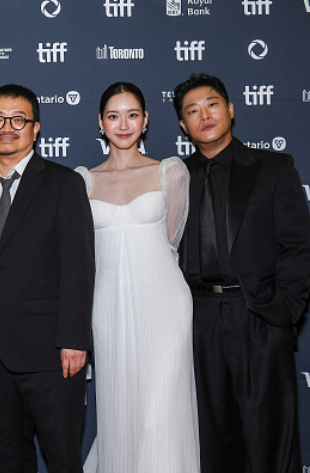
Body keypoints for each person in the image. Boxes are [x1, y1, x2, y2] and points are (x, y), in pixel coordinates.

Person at [173, 73, 310, 473]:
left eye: (212, 105)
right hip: (196, 321)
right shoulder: (173, 178)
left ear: (231, 109)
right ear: (183, 125)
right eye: (193, 111)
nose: (204, 116)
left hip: (258, 315)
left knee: (270, 439)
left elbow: (299, 244)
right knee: (211, 440)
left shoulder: (273, 167)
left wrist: (283, 310)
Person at [0, 84, 95, 473]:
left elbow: (79, 266)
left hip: (52, 352)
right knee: (9, 457)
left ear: (35, 128)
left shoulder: (64, 183)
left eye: (18, 120)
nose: (7, 128)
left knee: (62, 457)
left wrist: (74, 338)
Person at [76, 82, 199, 473]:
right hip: (108, 306)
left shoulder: (169, 172)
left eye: (132, 115)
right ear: (101, 122)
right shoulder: (83, 181)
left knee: (162, 410)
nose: (123, 124)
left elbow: (171, 242)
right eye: (114, 116)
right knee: (121, 405)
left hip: (164, 304)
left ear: (145, 120)